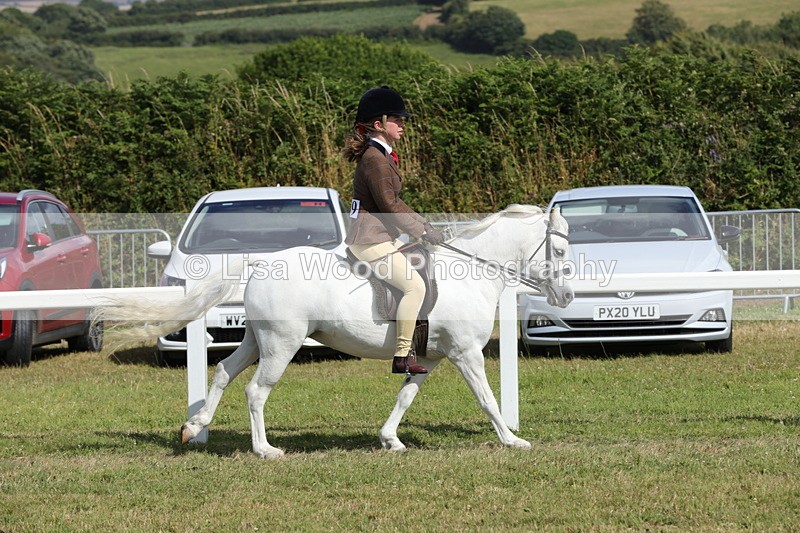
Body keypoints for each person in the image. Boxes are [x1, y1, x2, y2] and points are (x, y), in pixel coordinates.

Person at [342, 86, 445, 375]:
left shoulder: (381, 155)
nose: (403, 124)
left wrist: (424, 225)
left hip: (379, 237)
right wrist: (422, 231)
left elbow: (395, 202)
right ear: (378, 124)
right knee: (415, 286)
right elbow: (389, 204)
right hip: (370, 239)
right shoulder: (375, 159)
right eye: (397, 120)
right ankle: (402, 355)